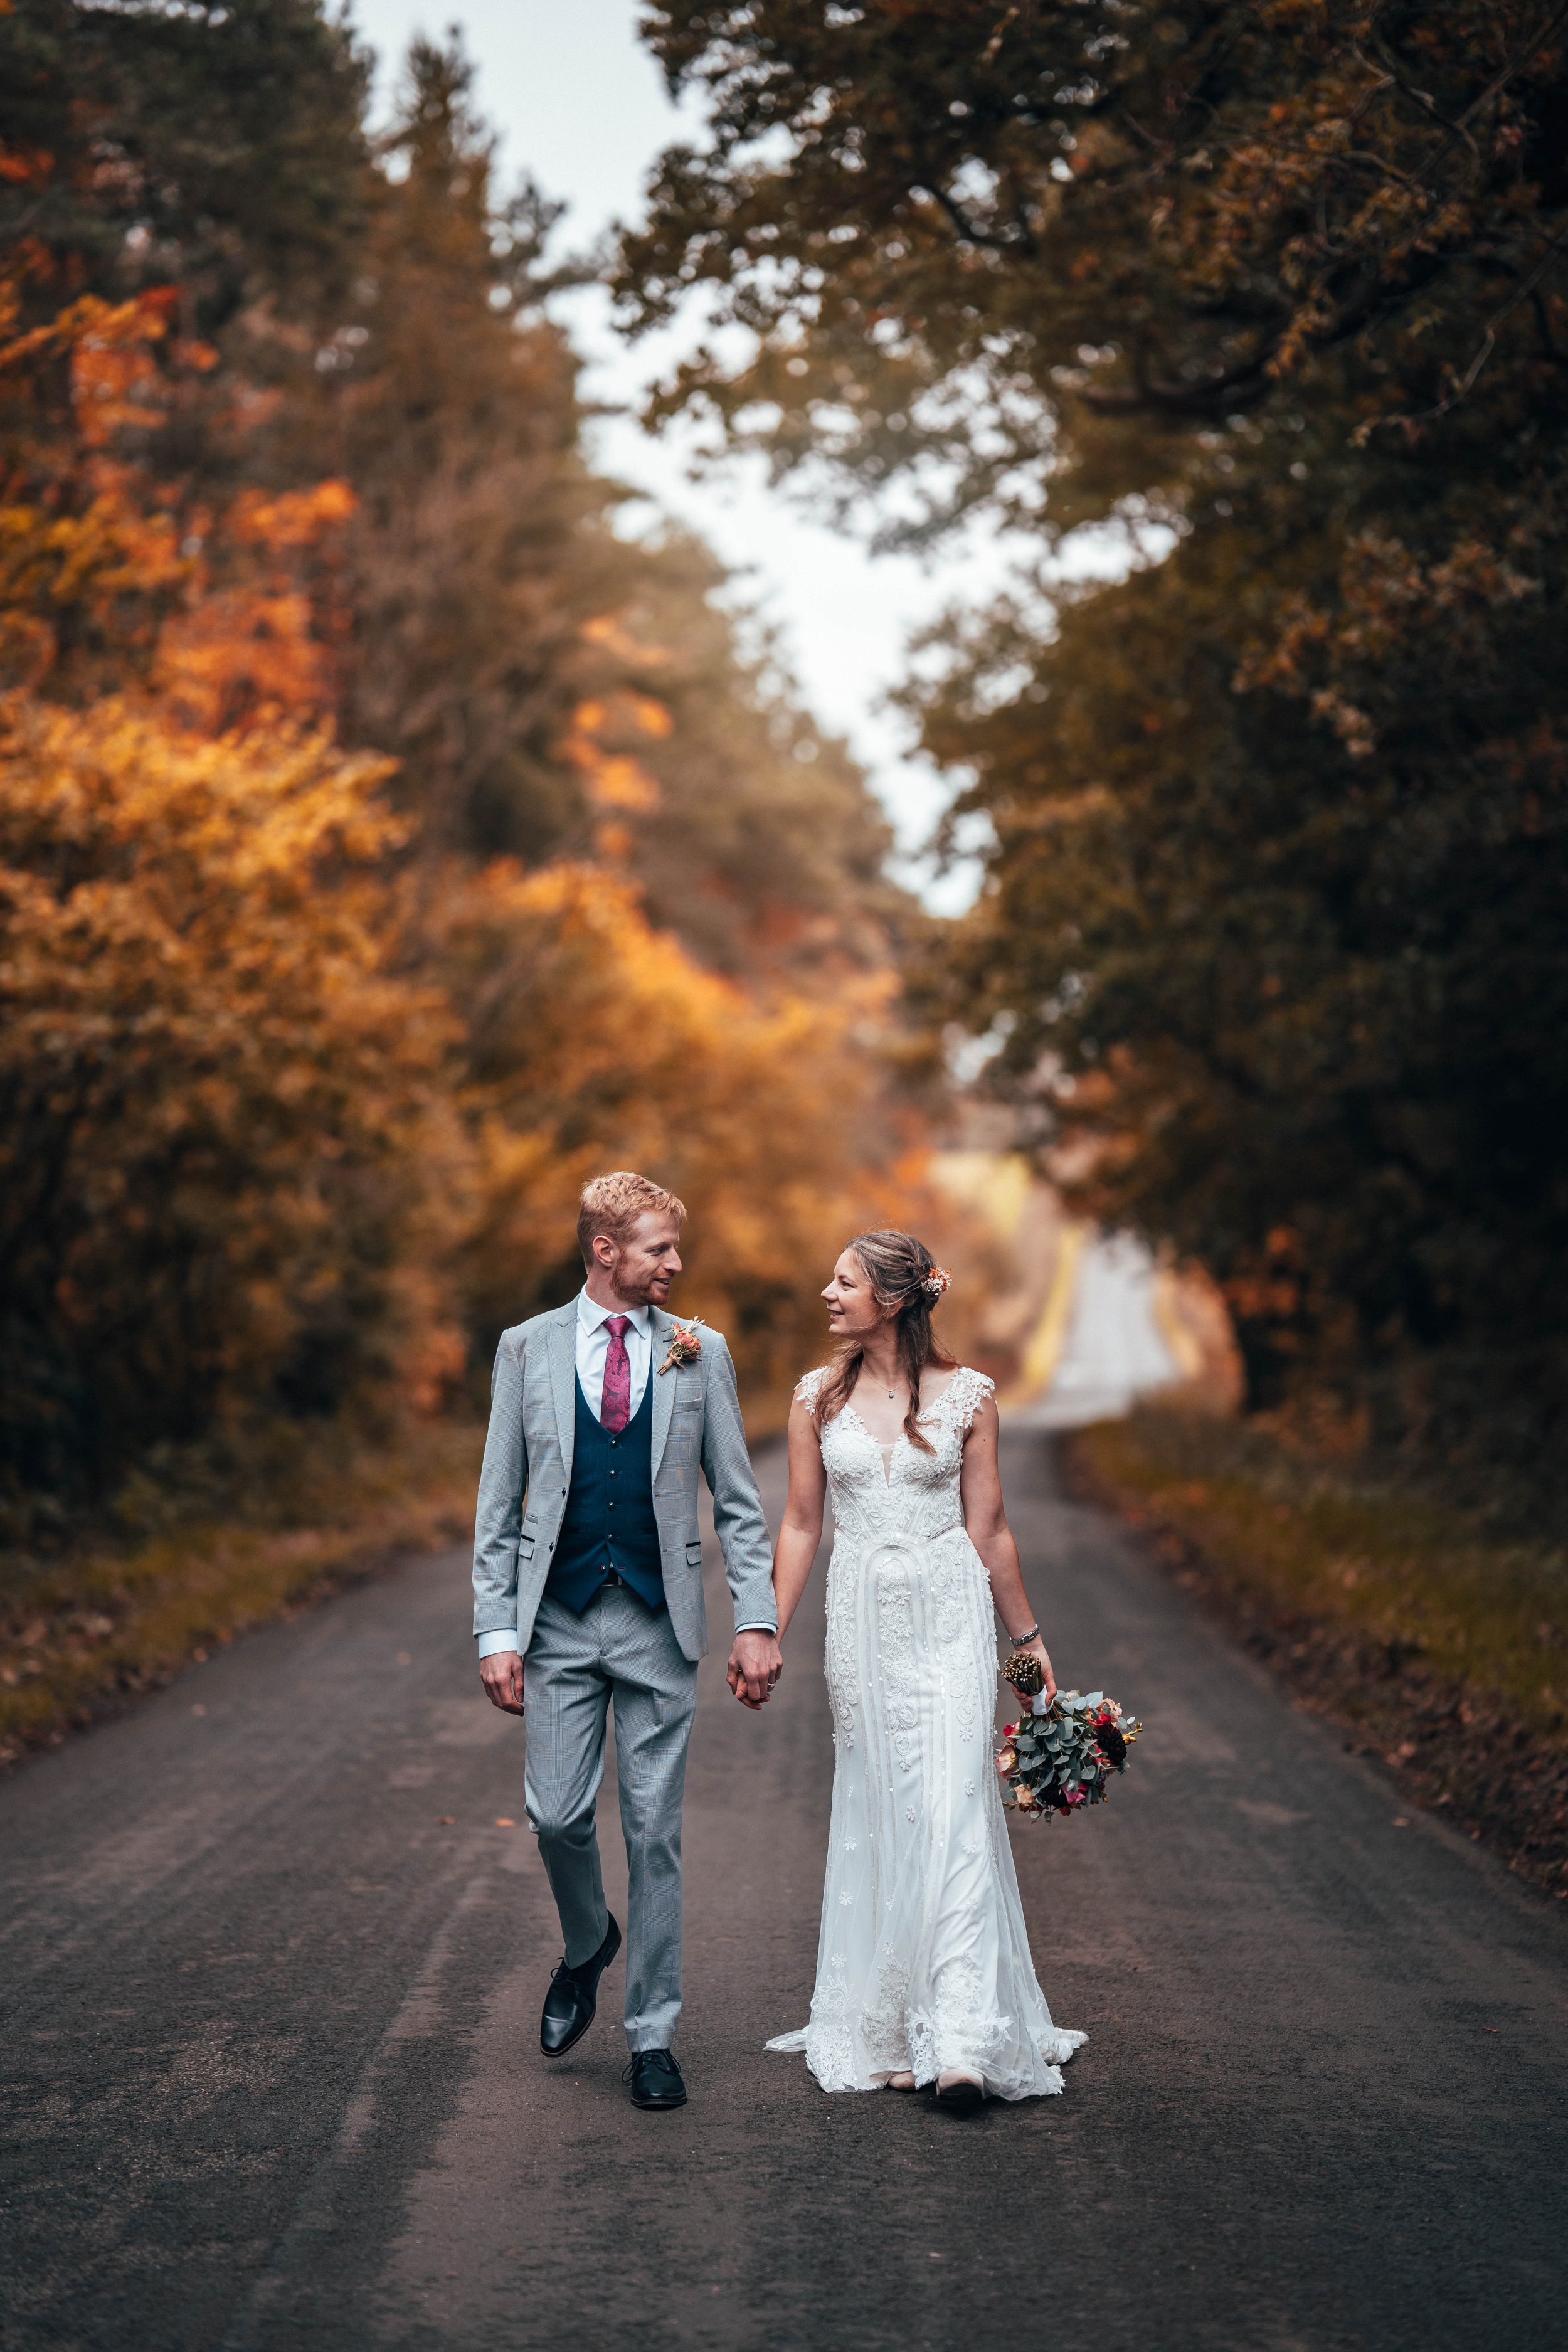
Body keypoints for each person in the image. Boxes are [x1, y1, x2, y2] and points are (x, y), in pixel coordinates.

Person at [471, 1170, 782, 2112]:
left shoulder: (701, 1351)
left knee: (655, 1832)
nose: (676, 1264)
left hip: (658, 1622)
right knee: (557, 1817)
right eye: (658, 1248)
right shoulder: (526, 1347)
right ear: (605, 1250)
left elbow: (737, 1499)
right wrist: (497, 1630)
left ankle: (652, 2033)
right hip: (557, 1622)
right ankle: (585, 1944)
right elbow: (498, 1503)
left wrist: (757, 1616)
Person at [764, 1229, 1086, 2109]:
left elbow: (989, 1529)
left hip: (950, 1617)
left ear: (896, 1298)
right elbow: (800, 1524)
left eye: (845, 1281)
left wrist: (1028, 1645)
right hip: (863, 1624)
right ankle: (895, 2017)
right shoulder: (815, 1399)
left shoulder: (971, 1396)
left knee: (952, 1808)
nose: (827, 1293)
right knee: (888, 1808)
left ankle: (963, 2040)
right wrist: (767, 1627)